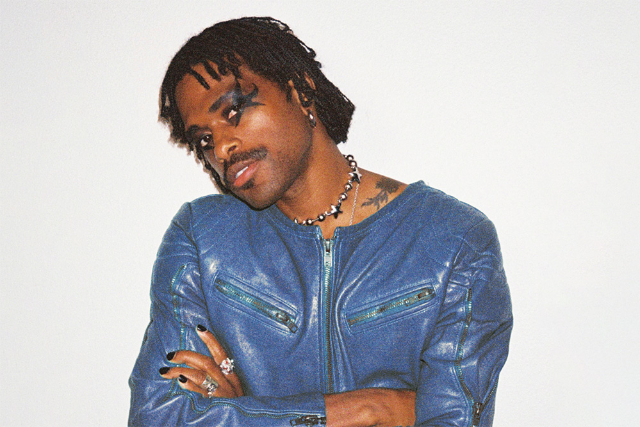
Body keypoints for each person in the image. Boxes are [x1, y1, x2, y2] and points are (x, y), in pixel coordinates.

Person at [129, 17, 513, 427]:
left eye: (233, 111)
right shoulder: (201, 240)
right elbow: (160, 417)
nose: (221, 148)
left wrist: (238, 414)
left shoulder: (454, 241)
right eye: (204, 139)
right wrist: (375, 409)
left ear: (300, 90)